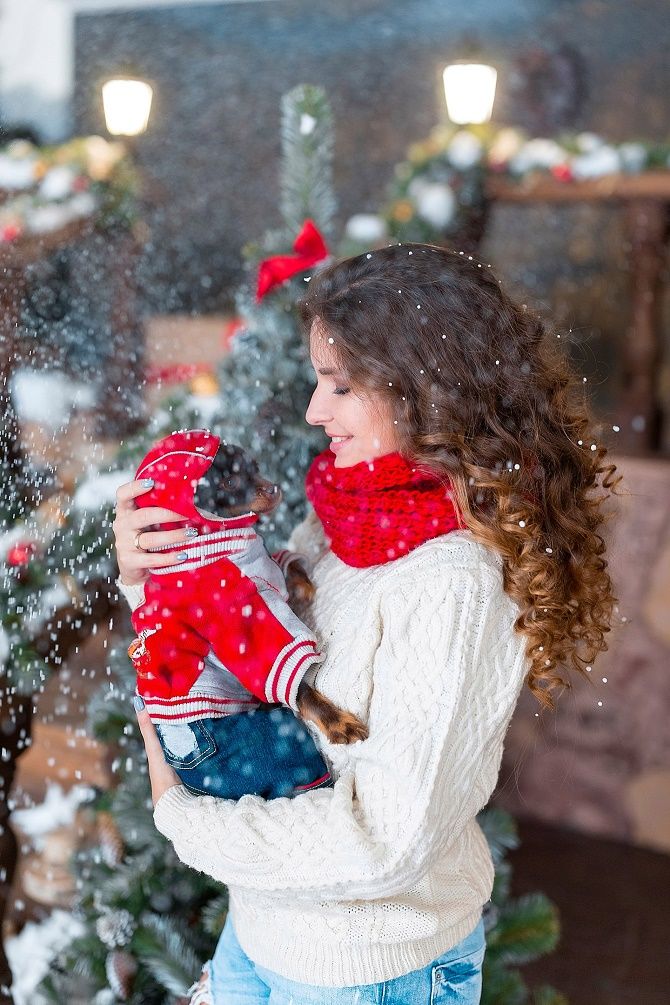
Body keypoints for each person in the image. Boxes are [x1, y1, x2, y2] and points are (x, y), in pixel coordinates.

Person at [113, 243, 620, 1004]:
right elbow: (242, 652)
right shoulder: (351, 514)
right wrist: (149, 572)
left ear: (427, 392)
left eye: (341, 385)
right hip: (265, 930)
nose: (315, 410)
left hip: (366, 970)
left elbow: (381, 843)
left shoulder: (454, 584)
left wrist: (179, 816)